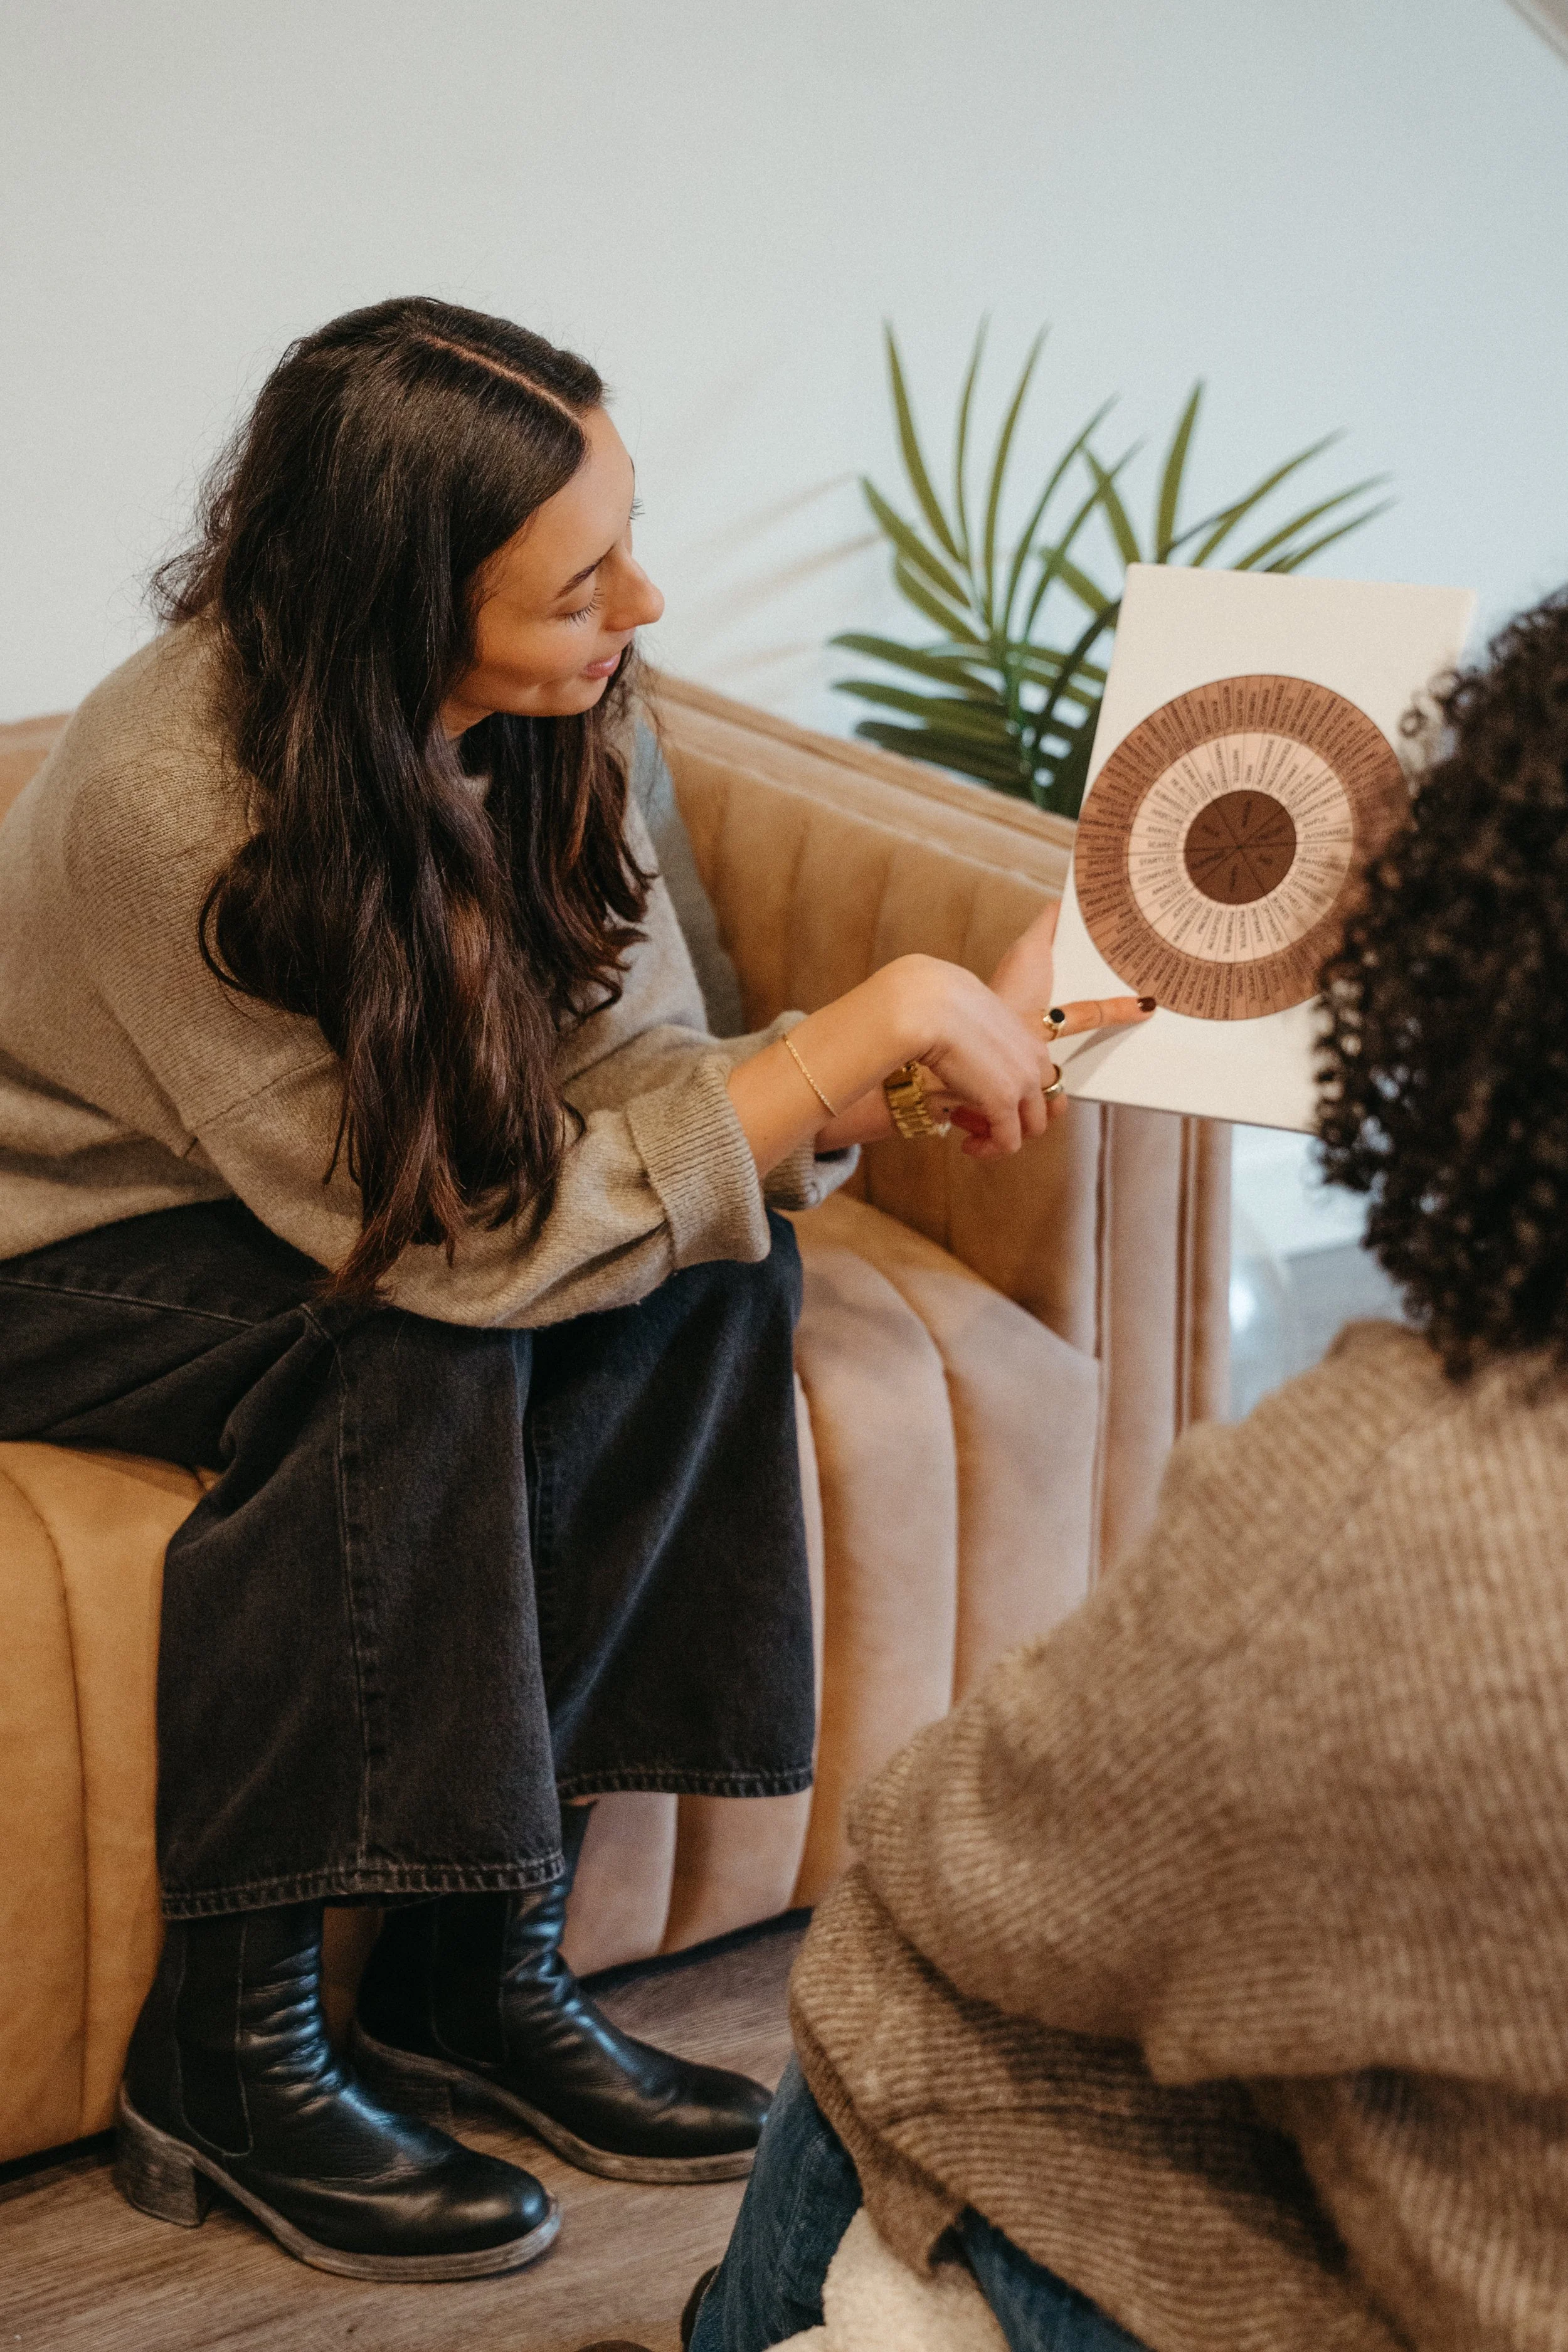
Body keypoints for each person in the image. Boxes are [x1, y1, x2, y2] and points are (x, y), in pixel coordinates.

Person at [0, 296, 1150, 2282]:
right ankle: (229, 2043)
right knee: (400, 1359)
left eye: (625, 532)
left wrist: (824, 1096)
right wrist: (813, 1052)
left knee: (717, 1269)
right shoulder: (176, 794)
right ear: (394, 598)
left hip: (356, 1191)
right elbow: (427, 1249)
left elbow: (630, 1075)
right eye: (576, 580)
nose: (642, 594)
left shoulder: (565, 712)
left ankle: (474, 1958)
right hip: (70, 1232)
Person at [682, 591, 1568, 2352]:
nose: (639, 607)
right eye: (585, 573)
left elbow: (973, 1869)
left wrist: (858, 1060)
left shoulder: (1396, 1521)